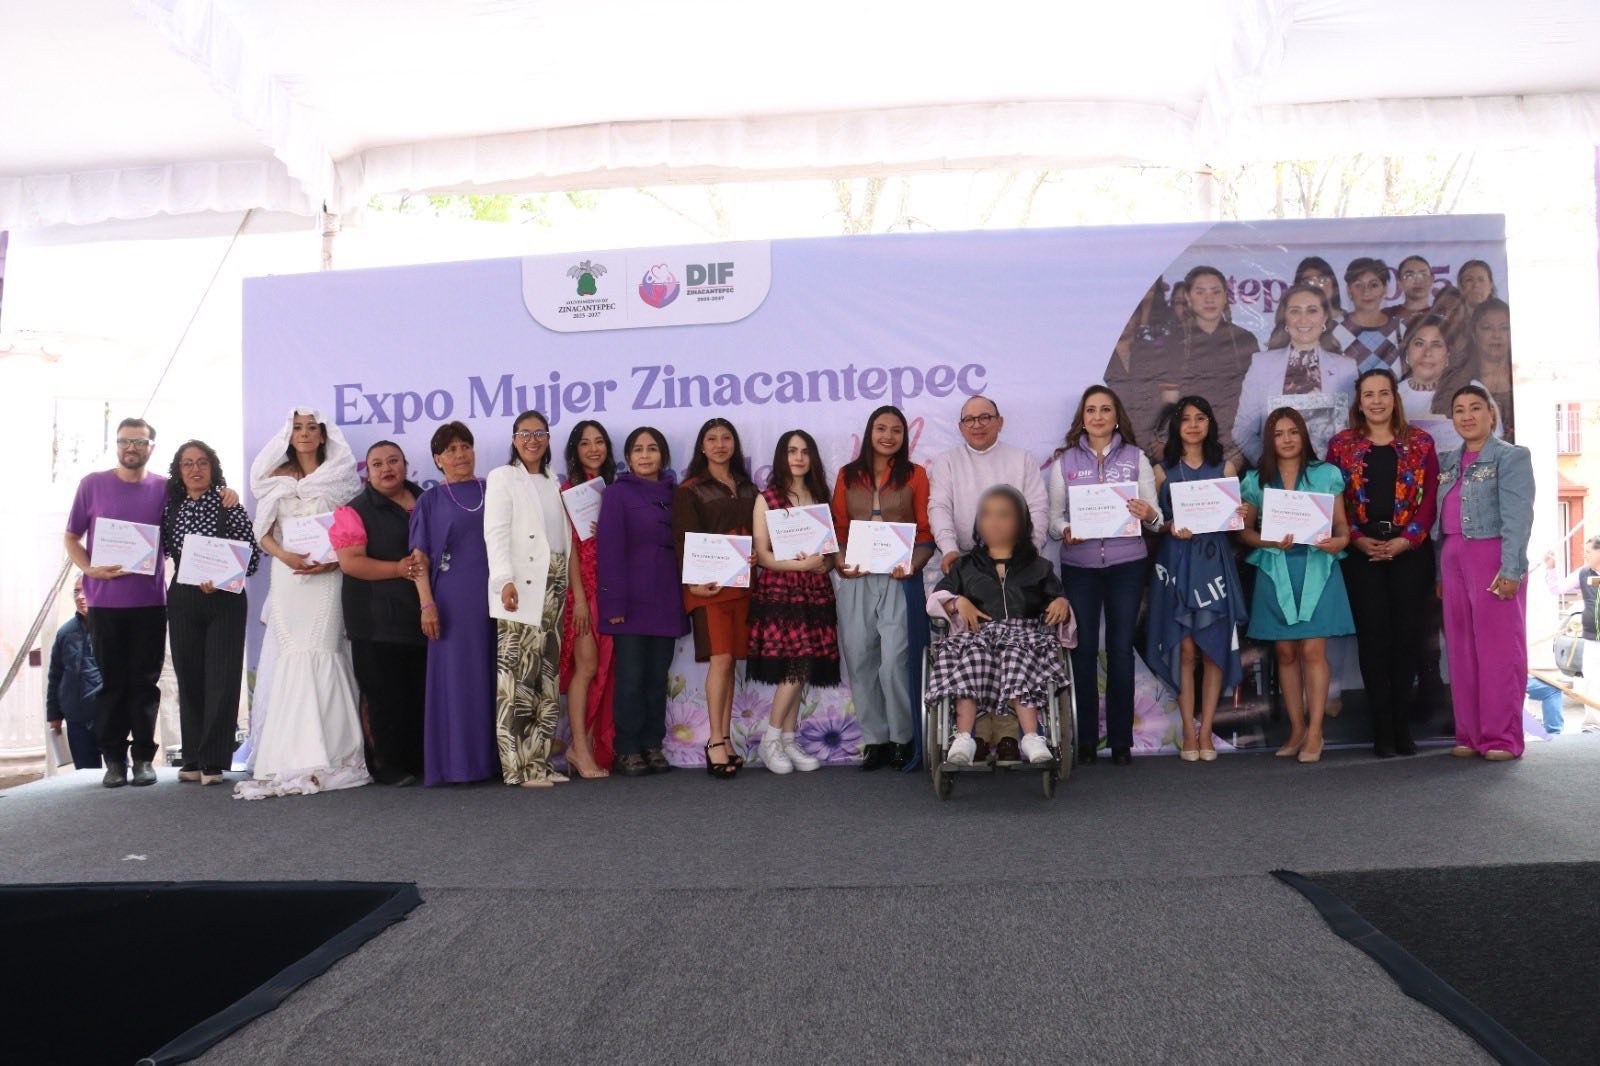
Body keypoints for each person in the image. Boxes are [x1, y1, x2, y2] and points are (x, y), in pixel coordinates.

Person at [237, 409, 367, 799]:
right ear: (288, 435)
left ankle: (333, 751)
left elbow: (348, 530)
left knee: (325, 649)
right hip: (288, 576)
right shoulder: (275, 478)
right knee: (293, 654)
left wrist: (335, 560)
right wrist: (285, 556)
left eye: (312, 427)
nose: (305, 433)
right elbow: (263, 532)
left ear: (324, 435)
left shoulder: (339, 477)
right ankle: (287, 754)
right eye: (297, 428)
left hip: (328, 574)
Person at [1325, 369, 1439, 758]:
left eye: (1383, 393)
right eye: (1369, 394)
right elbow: (1333, 501)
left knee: (1407, 640)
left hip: (1410, 552)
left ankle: (1402, 727)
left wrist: (1406, 540)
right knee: (1373, 642)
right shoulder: (1341, 446)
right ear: (1359, 402)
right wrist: (1356, 538)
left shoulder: (1420, 443)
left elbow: (1430, 498)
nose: (1376, 401)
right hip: (1362, 553)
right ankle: (1382, 730)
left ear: (1395, 398)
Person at [1046, 385, 1161, 765]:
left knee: (1120, 648)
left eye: (1105, 409)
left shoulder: (1136, 457)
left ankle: (1121, 740)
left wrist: (1148, 514)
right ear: (1082, 417)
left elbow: (1156, 518)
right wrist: (1065, 530)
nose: (1098, 416)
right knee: (1081, 650)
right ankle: (1084, 740)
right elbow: (1053, 521)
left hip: (1127, 564)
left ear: (1117, 416)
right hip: (1080, 567)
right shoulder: (1064, 462)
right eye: (1091, 410)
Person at [1239, 407, 1354, 763]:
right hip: (1275, 569)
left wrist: (1340, 541)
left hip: (1317, 567)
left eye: (1293, 432)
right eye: (1278, 433)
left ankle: (1316, 730)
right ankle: (1296, 728)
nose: (1287, 439)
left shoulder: (1326, 474)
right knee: (1286, 653)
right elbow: (1244, 532)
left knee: (1312, 651)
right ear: (1269, 440)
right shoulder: (1256, 480)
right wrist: (1268, 541)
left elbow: (1342, 527)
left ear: (1303, 435)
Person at [927, 486, 1071, 767]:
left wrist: (1061, 602)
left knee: (1017, 655)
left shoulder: (1039, 567)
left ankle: (1031, 737)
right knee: (971, 659)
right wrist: (957, 602)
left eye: (1003, 515)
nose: (993, 522)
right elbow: (936, 599)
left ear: (1021, 523)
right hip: (978, 636)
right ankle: (964, 738)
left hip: (1024, 636)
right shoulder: (964, 566)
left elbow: (1056, 598)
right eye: (987, 515)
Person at [63, 417, 171, 787]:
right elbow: (71, 537)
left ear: (151, 447)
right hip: (105, 603)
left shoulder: (165, 487)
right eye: (125, 441)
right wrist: (88, 569)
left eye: (139, 442)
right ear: (116, 444)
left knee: (145, 684)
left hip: (150, 602)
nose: (131, 448)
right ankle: (113, 760)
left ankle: (143, 759)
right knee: (111, 683)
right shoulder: (92, 484)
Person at [831, 405, 935, 770]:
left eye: (896, 430)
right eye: (881, 428)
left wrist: (913, 564)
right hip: (857, 577)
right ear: (869, 432)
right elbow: (838, 528)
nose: (888, 436)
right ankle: (875, 740)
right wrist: (840, 561)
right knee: (860, 658)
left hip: (898, 578)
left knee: (894, 662)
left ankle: (903, 738)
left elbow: (925, 531)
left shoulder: (916, 475)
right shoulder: (847, 475)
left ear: (904, 436)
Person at [1145, 397, 1249, 761]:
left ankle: (1206, 730)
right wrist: (1170, 526)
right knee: (1185, 649)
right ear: (1176, 425)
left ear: (1210, 423)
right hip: (1177, 562)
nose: (1193, 425)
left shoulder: (1226, 466)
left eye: (1200, 418)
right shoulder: (1161, 470)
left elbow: (1234, 524)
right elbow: (1155, 522)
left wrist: (1241, 513)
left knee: (1213, 648)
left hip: (1214, 562)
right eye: (1186, 418)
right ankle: (1189, 730)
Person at [1434, 385, 1534, 760]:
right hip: (1451, 558)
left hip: (1492, 557)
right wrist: (1439, 572)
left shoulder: (1512, 457)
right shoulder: (1447, 461)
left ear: (1491, 413)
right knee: (1460, 651)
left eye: (1475, 408)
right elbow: (1438, 523)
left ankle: (1502, 738)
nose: (1467, 416)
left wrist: (1512, 569)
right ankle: (1470, 734)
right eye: (1459, 410)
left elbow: (1518, 518)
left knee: (1499, 650)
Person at [161, 439, 260, 784]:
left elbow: (251, 558)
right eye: (187, 463)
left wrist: (220, 579)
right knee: (189, 678)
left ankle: (214, 761)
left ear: (212, 467)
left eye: (202, 462)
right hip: (183, 599)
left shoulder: (228, 504)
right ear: (179, 471)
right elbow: (160, 551)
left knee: (222, 678)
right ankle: (192, 758)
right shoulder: (170, 508)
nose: (195, 469)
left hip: (225, 600)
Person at [330, 440, 427, 786]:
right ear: (367, 473)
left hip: (419, 615)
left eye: (393, 461)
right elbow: (351, 563)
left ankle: (417, 760)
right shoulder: (354, 511)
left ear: (405, 465)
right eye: (378, 464)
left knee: (416, 691)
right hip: (374, 620)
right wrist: (397, 569)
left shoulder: (426, 500)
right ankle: (385, 765)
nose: (387, 469)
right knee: (382, 695)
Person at [485, 411, 571, 788]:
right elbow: (496, 533)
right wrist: (504, 580)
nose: (532, 440)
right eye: (524, 433)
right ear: (514, 439)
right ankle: (516, 767)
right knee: (517, 680)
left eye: (539, 433)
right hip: (520, 587)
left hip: (555, 584)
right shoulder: (503, 477)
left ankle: (540, 761)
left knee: (546, 678)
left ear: (548, 438)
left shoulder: (554, 480)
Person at [410, 421, 498, 785]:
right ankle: (459, 764)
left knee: (495, 677)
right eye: (451, 450)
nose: (460, 455)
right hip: (451, 602)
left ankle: (498, 761)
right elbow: (418, 559)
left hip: (498, 598)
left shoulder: (494, 489)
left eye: (465, 446)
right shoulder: (429, 501)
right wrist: (426, 604)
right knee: (459, 680)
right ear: (437, 459)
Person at [673, 417, 760, 777]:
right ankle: (713, 741)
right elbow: (683, 538)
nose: (720, 444)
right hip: (708, 586)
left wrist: (758, 552)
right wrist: (692, 582)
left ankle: (725, 739)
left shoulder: (749, 487)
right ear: (702, 446)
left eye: (726, 438)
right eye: (712, 439)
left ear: (734, 444)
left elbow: (760, 532)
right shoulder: (690, 489)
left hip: (743, 584)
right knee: (720, 659)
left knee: (730, 662)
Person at [749, 430, 840, 774]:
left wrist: (824, 565)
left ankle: (788, 739)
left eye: (804, 451)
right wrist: (800, 566)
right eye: (791, 451)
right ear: (781, 456)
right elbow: (762, 555)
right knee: (796, 664)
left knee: (803, 664)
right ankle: (771, 739)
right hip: (781, 590)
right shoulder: (767, 497)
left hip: (815, 590)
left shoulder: (820, 498)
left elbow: (829, 553)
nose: (798, 457)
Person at [598, 427, 688, 776]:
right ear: (628, 457)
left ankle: (653, 744)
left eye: (652, 448)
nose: (646, 455)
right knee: (631, 680)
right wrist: (613, 606)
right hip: (630, 603)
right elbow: (609, 552)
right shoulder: (617, 494)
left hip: (666, 599)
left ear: (663, 455)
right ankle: (627, 748)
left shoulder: (677, 493)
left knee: (656, 679)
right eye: (638, 449)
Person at [1234, 282, 1359, 465]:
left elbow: (1355, 429)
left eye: (1312, 310)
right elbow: (1243, 430)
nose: (1303, 319)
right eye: (1295, 311)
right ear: (1285, 318)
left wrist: (1333, 472)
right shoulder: (1261, 364)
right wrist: (1269, 466)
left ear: (1325, 317)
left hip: (1329, 476)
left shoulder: (1346, 368)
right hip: (1275, 476)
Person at [558, 420, 617, 779]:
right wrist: (579, 599)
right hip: (583, 592)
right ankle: (578, 748)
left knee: (603, 673)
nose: (593, 449)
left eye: (599, 442)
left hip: (611, 593)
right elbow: (568, 552)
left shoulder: (614, 490)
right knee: (587, 668)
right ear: (575, 451)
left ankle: (589, 746)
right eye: (585, 443)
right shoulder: (568, 491)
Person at [1395, 314, 1499, 454]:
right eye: (1419, 344)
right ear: (1407, 351)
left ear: (1448, 354)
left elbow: (1496, 445)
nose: (1427, 353)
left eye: (1436, 345)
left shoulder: (1472, 390)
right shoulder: (1393, 396)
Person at [46, 579, 103, 770]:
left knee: (118, 769)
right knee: (85, 775)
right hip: (76, 718)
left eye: (85, 590)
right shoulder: (65, 633)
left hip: (107, 714)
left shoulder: (110, 628)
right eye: (76, 592)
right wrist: (54, 715)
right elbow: (55, 675)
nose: (80, 597)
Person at [1543, 540, 1600, 715]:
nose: (1584, 555)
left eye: (1588, 551)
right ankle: (1593, 723)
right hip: (1591, 639)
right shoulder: (1583, 573)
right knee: (1592, 680)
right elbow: (1557, 589)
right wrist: (1551, 568)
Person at [1332, 258, 1403, 373]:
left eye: (1374, 285)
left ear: (1385, 289)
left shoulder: (1400, 328)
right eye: (1358, 285)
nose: (1366, 292)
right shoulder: (1333, 328)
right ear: (1349, 290)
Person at [1467, 298, 1514, 439]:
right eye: (1487, 328)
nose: (1497, 335)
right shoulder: (1461, 382)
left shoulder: (1525, 379)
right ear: (1474, 334)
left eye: (1504, 328)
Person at [1384, 254, 1435, 332]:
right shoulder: (1385, 316)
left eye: (1423, 275)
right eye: (1409, 276)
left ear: (1431, 280)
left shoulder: (1441, 316)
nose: (1417, 281)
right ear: (1399, 283)